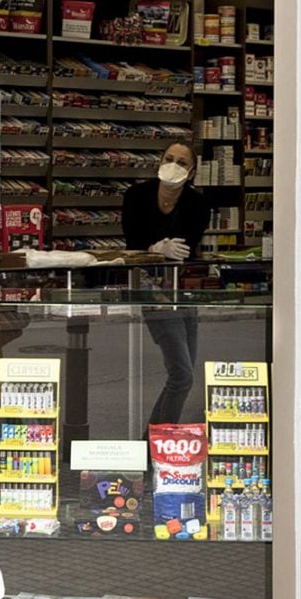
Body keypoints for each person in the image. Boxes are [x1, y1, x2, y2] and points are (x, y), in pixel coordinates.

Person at [121, 141, 210, 425]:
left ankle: (153, 440)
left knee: (182, 376)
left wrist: (166, 249)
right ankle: (158, 441)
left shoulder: (197, 203)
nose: (173, 165)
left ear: (192, 171)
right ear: (160, 161)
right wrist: (155, 249)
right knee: (182, 375)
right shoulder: (136, 195)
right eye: (169, 158)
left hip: (183, 292)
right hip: (150, 290)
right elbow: (132, 241)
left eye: (182, 163)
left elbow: (187, 244)